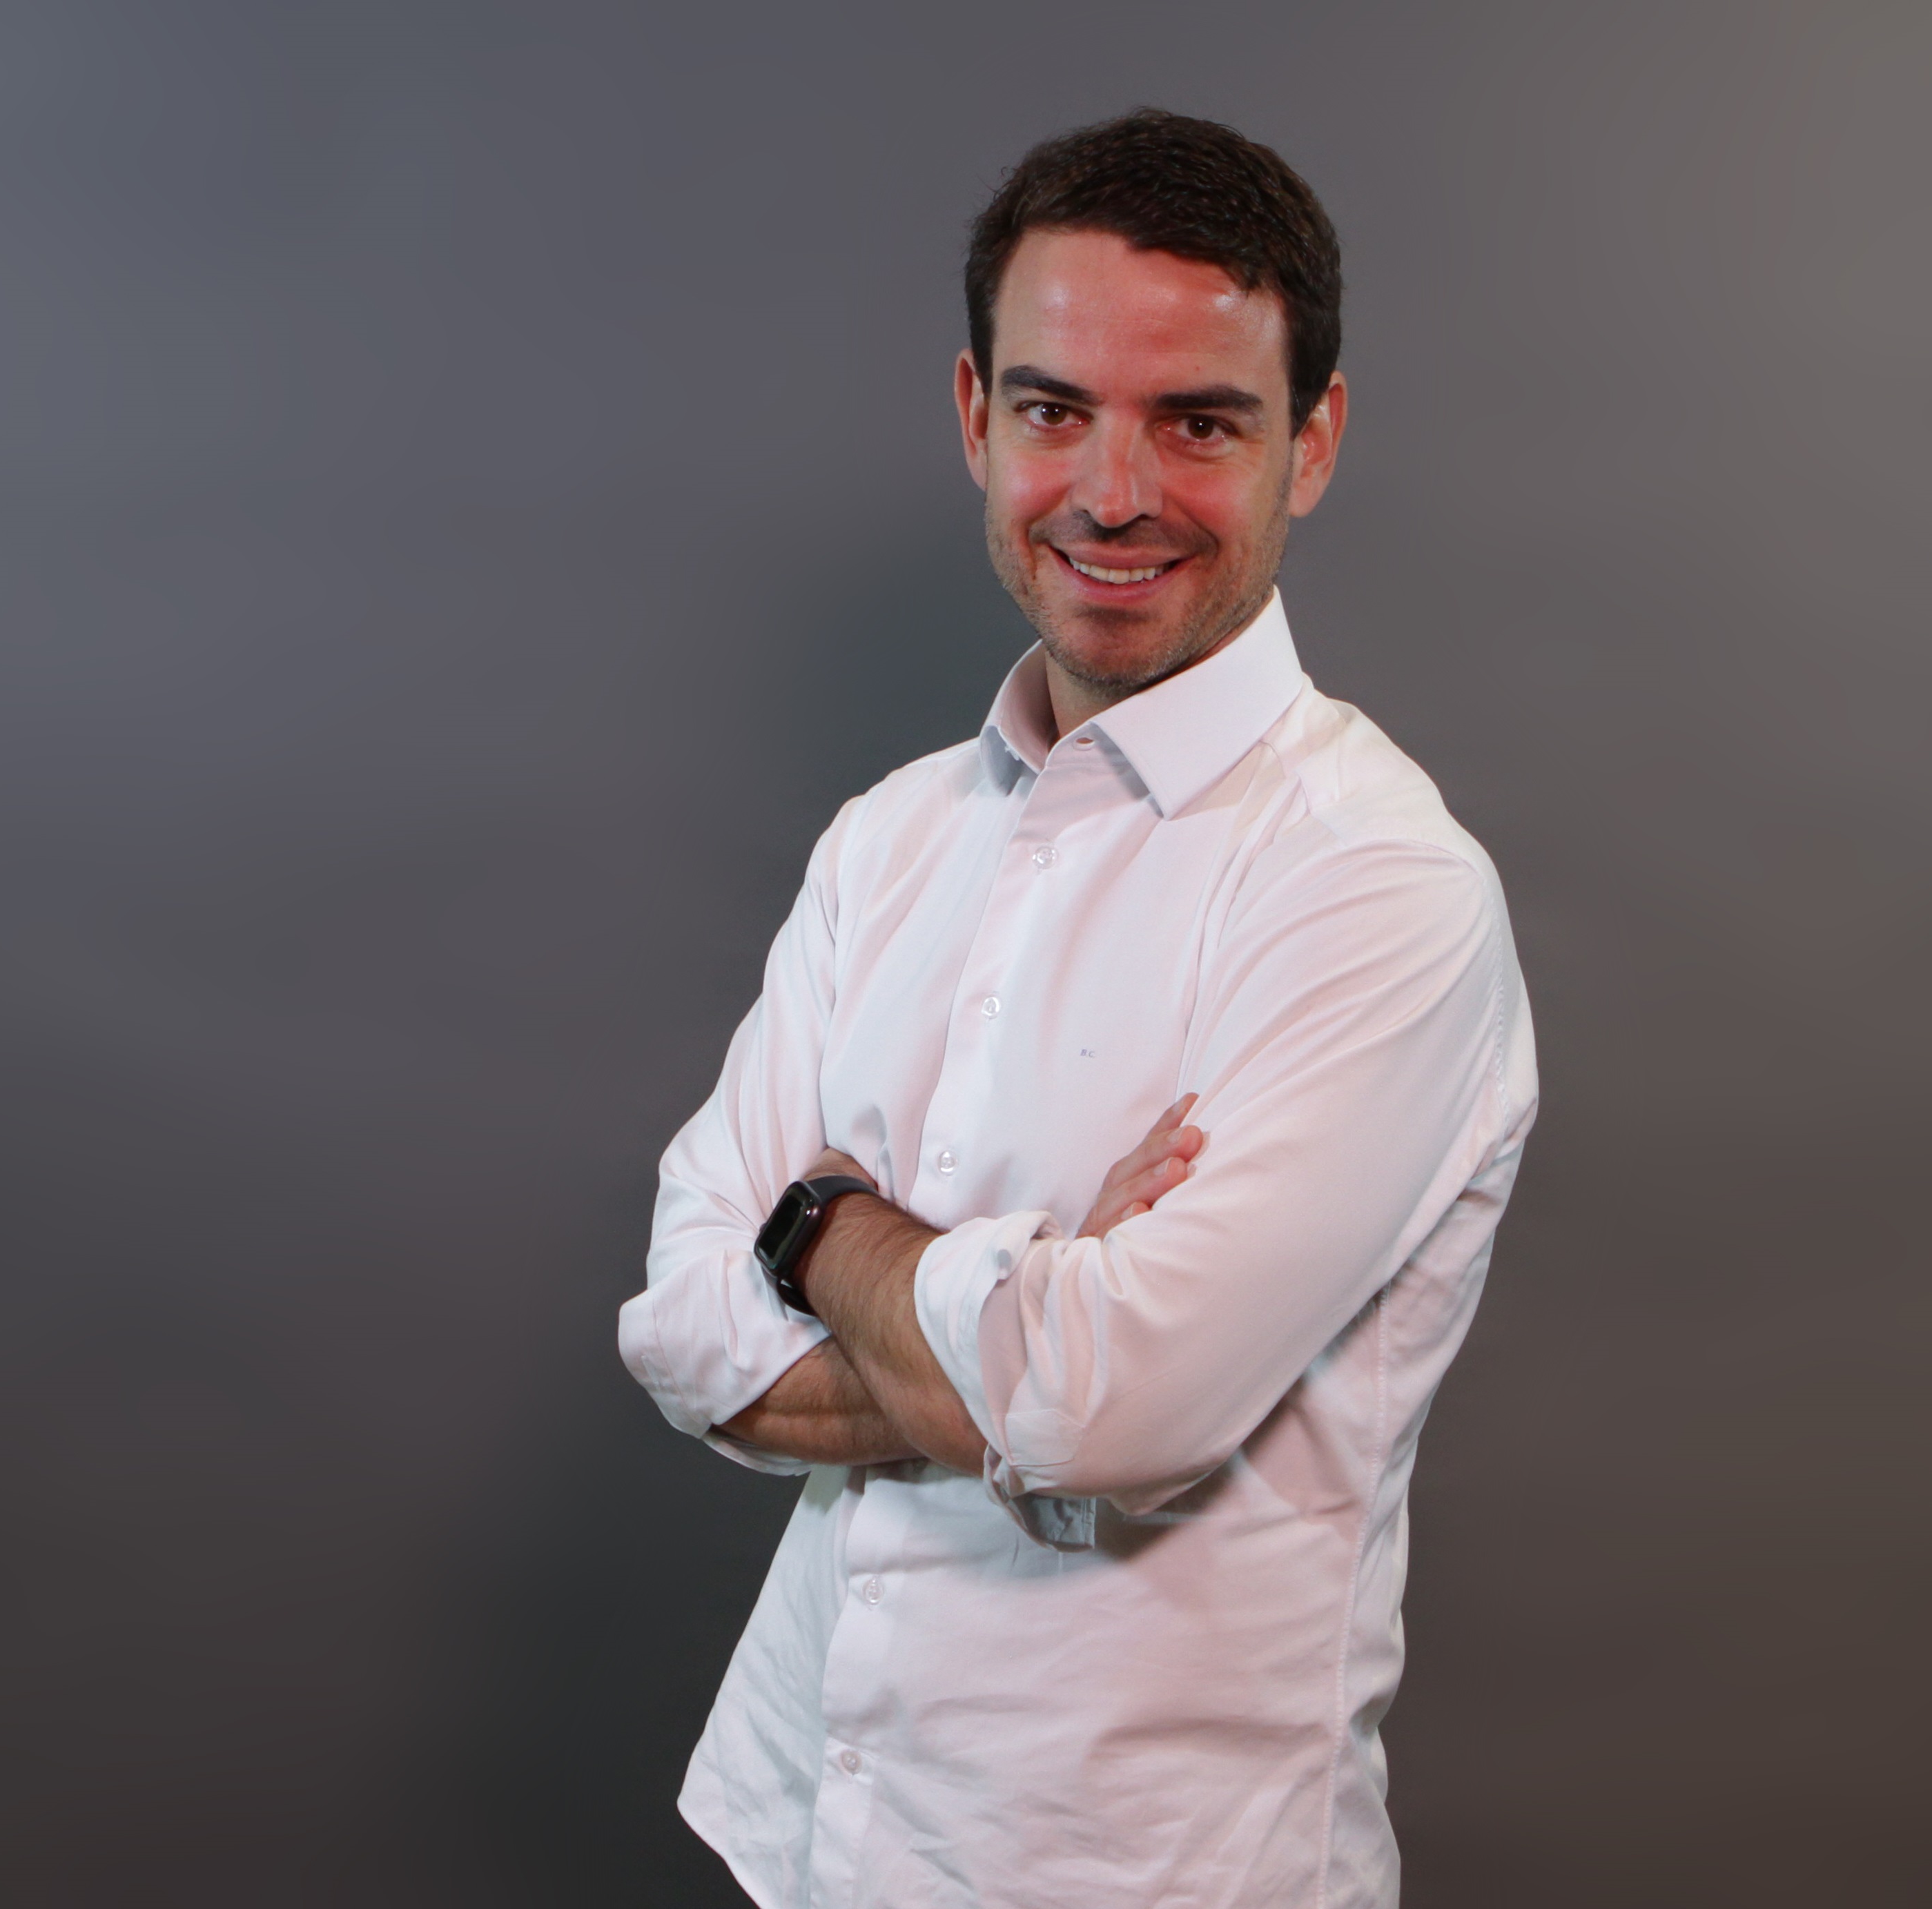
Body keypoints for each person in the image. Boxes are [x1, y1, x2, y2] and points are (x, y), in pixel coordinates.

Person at [618, 108, 1538, 1908]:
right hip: (810, 1844)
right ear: (977, 416)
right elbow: (679, 1332)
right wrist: (1024, 1300)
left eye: (1198, 422)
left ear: (1312, 442)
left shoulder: (1379, 890)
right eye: (1054, 410)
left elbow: (1113, 1414)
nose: (1114, 494)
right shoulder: (888, 840)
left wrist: (819, 1227)